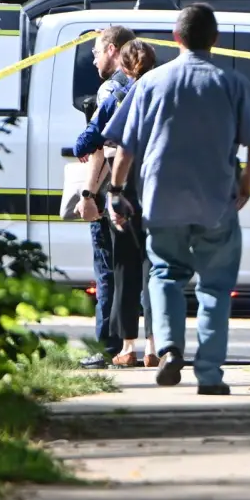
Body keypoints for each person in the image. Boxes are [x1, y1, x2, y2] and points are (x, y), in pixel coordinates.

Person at [102, 3, 250, 395]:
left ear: (176, 38)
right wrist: (245, 183)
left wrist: (114, 192)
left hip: (162, 201)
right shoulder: (231, 84)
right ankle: (209, 374)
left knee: (164, 275)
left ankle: (170, 349)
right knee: (214, 286)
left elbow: (124, 148)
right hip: (216, 202)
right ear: (215, 40)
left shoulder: (150, 84)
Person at [75, 39, 159, 367]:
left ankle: (127, 347)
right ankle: (154, 345)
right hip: (158, 182)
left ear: (123, 65)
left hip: (127, 183)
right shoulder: (163, 91)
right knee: (155, 268)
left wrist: (108, 190)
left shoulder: (119, 93)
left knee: (124, 265)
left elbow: (98, 135)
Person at [72, 25, 136, 369]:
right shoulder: (143, 83)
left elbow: (94, 146)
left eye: (96, 51)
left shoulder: (111, 88)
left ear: (112, 49)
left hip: (109, 186)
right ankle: (138, 344)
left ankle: (107, 345)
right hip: (136, 187)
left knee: (107, 270)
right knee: (132, 269)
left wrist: (86, 194)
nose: (94, 59)